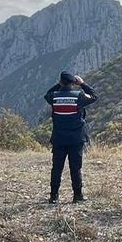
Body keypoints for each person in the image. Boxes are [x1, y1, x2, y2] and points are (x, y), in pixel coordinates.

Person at [44, 72, 98, 204]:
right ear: (73, 82)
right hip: (76, 138)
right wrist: (82, 84)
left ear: (61, 82)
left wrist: (60, 84)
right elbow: (94, 96)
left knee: (57, 168)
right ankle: (77, 195)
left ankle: (54, 197)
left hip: (59, 138)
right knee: (76, 167)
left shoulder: (54, 97)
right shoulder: (78, 96)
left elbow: (47, 94)